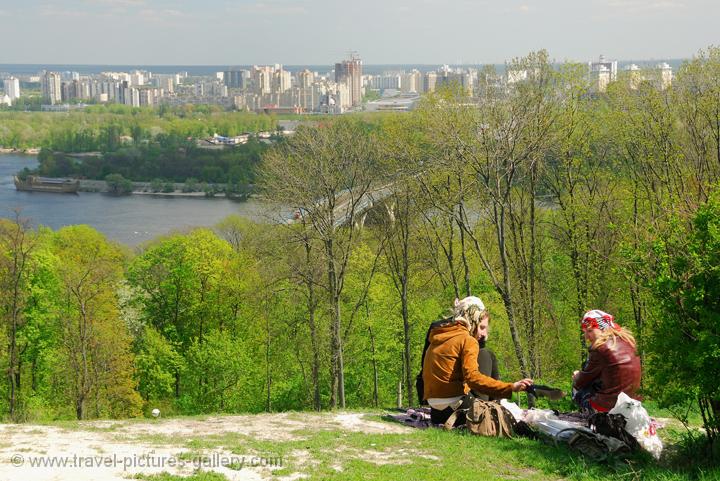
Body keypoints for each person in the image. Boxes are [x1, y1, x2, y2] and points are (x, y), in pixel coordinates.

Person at [422, 296, 533, 426]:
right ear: (473, 320)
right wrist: (511, 387)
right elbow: (473, 379)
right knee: (503, 418)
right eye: (481, 327)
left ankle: (497, 403)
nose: (484, 334)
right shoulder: (467, 340)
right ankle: (498, 404)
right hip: (457, 408)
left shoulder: (438, 336)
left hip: (436, 412)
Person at [572, 309, 641, 413]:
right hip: (632, 406)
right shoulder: (629, 342)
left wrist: (577, 376)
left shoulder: (600, 348)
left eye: (590, 331)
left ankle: (588, 414)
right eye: (585, 332)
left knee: (578, 384)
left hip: (609, 408)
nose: (586, 337)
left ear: (603, 328)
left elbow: (581, 382)